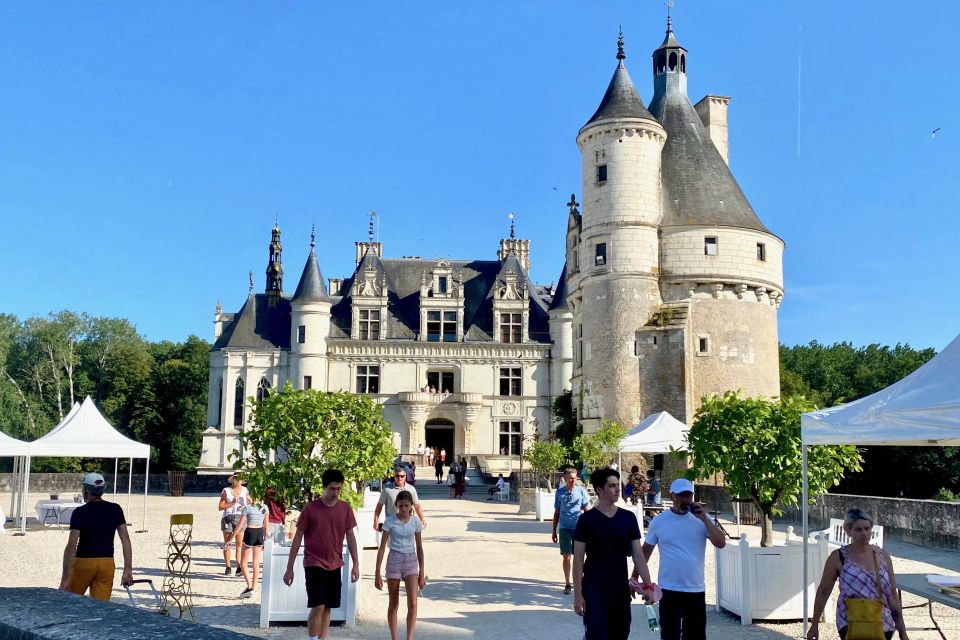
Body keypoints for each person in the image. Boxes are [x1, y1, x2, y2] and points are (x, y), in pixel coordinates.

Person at [573, 468, 658, 639]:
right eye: (611, 486)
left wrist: (648, 586)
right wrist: (578, 594)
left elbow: (639, 555)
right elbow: (578, 560)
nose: (617, 489)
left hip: (620, 590)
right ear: (599, 490)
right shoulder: (586, 520)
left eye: (617, 485)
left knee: (620, 634)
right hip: (593, 590)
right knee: (597, 635)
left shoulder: (628, 518)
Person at [642, 479, 727, 640]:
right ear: (672, 496)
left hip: (695, 590)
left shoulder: (703, 519)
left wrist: (704, 519)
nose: (684, 500)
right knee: (669, 635)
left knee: (695, 636)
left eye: (688, 495)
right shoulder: (659, 521)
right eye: (680, 496)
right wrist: (635, 578)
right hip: (668, 589)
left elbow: (720, 543)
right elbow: (645, 552)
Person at [808, 508, 909, 640]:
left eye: (867, 529)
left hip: (882, 620)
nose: (864, 533)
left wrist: (902, 631)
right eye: (858, 529)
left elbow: (892, 595)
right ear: (849, 531)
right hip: (851, 620)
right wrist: (814, 624)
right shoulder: (838, 557)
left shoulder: (883, 556)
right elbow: (823, 591)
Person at [284, 469, 360, 640]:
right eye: (332, 489)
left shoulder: (345, 509)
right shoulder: (310, 509)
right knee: (318, 605)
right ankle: (312, 638)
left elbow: (351, 536)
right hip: (314, 562)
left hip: (335, 562)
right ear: (324, 488)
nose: (336, 493)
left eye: (339, 489)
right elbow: (297, 538)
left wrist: (356, 564)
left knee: (328, 607)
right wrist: (289, 568)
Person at [59, 473, 134, 601]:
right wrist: (128, 569)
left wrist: (65, 578)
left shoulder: (80, 512)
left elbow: (71, 546)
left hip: (84, 562)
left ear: (86, 490)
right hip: (107, 563)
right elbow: (125, 539)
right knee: (101, 607)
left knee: (71, 604)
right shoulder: (115, 509)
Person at [375, 490, 426, 640]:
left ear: (411, 507)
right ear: (396, 505)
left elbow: (419, 547)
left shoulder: (415, 522)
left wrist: (422, 572)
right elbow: (382, 547)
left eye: (407, 506)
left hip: (411, 560)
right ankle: (394, 637)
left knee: (413, 603)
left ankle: (409, 637)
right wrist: (377, 572)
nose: (404, 509)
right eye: (401, 506)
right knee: (393, 603)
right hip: (394, 559)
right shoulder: (390, 521)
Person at [552, 467, 591, 594]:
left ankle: (578, 582)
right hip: (564, 528)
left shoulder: (581, 491)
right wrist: (553, 531)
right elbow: (556, 512)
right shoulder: (560, 492)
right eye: (570, 478)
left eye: (575, 478)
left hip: (579, 529)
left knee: (579, 558)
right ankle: (568, 583)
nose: (573, 480)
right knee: (567, 557)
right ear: (565, 479)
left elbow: (587, 510)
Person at [374, 466, 427, 532]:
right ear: (394, 476)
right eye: (397, 476)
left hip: (408, 525)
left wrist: (422, 519)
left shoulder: (411, 489)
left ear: (405, 476)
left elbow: (417, 505)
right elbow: (380, 505)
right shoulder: (387, 489)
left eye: (402, 476)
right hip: (392, 526)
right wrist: (376, 520)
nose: (400, 478)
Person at [238, 497, 268, 598]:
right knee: (256, 563)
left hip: (250, 532)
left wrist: (229, 540)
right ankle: (254, 588)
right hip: (259, 533)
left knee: (243, 563)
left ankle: (249, 586)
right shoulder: (264, 507)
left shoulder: (247, 508)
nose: (247, 497)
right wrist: (265, 539)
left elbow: (239, 526)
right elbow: (266, 526)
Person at [219, 474, 249, 575]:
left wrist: (250, 502)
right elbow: (220, 506)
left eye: (241, 479)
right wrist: (232, 503)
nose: (240, 480)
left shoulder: (245, 490)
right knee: (227, 542)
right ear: (233, 480)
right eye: (238, 478)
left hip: (241, 518)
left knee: (239, 544)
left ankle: (239, 566)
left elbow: (249, 502)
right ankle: (228, 566)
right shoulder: (226, 490)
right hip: (228, 517)